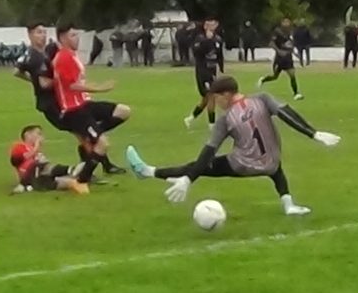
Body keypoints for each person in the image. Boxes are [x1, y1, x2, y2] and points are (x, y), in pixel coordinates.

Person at [125, 75, 339, 217]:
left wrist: (190, 178)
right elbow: (286, 113)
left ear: (226, 94)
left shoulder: (226, 119)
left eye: (216, 98)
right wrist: (314, 134)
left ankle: (148, 171)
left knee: (199, 164)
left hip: (242, 165)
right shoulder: (262, 99)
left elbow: (209, 151)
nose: (215, 102)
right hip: (272, 162)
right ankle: (289, 204)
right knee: (273, 162)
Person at [52, 23, 133, 181]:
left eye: (77, 34)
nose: (77, 38)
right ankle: (82, 179)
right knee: (103, 144)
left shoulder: (72, 55)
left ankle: (91, 135)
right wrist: (100, 88)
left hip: (85, 104)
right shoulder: (63, 57)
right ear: (62, 38)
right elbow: (72, 85)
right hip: (74, 110)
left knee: (124, 111)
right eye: (72, 35)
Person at [8, 125, 89, 195]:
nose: (41, 137)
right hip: (30, 176)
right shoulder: (19, 146)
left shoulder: (37, 152)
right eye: (38, 134)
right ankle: (71, 170)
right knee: (39, 165)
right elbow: (19, 159)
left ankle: (77, 177)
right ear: (27, 135)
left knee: (66, 181)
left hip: (40, 178)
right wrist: (37, 146)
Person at [14, 22, 60, 128]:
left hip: (48, 99)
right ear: (30, 35)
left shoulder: (33, 52)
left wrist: (33, 80)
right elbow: (17, 72)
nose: (43, 35)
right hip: (49, 100)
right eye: (39, 32)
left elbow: (16, 71)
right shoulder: (35, 56)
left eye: (44, 32)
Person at [184, 18, 226, 127]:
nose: (212, 25)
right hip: (202, 72)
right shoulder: (200, 39)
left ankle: (191, 118)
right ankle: (212, 124)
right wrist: (207, 41)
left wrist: (221, 69)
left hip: (212, 71)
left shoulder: (218, 39)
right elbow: (197, 52)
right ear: (205, 26)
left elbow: (219, 55)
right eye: (209, 24)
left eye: (214, 23)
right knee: (211, 95)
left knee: (206, 99)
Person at [259, 16, 303, 99]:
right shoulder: (277, 32)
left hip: (288, 58)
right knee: (275, 77)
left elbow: (290, 45)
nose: (286, 23)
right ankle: (263, 79)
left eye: (288, 21)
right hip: (280, 58)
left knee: (292, 74)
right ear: (281, 23)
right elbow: (271, 43)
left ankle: (296, 93)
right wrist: (279, 51)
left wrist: (295, 53)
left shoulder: (291, 32)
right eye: (285, 22)